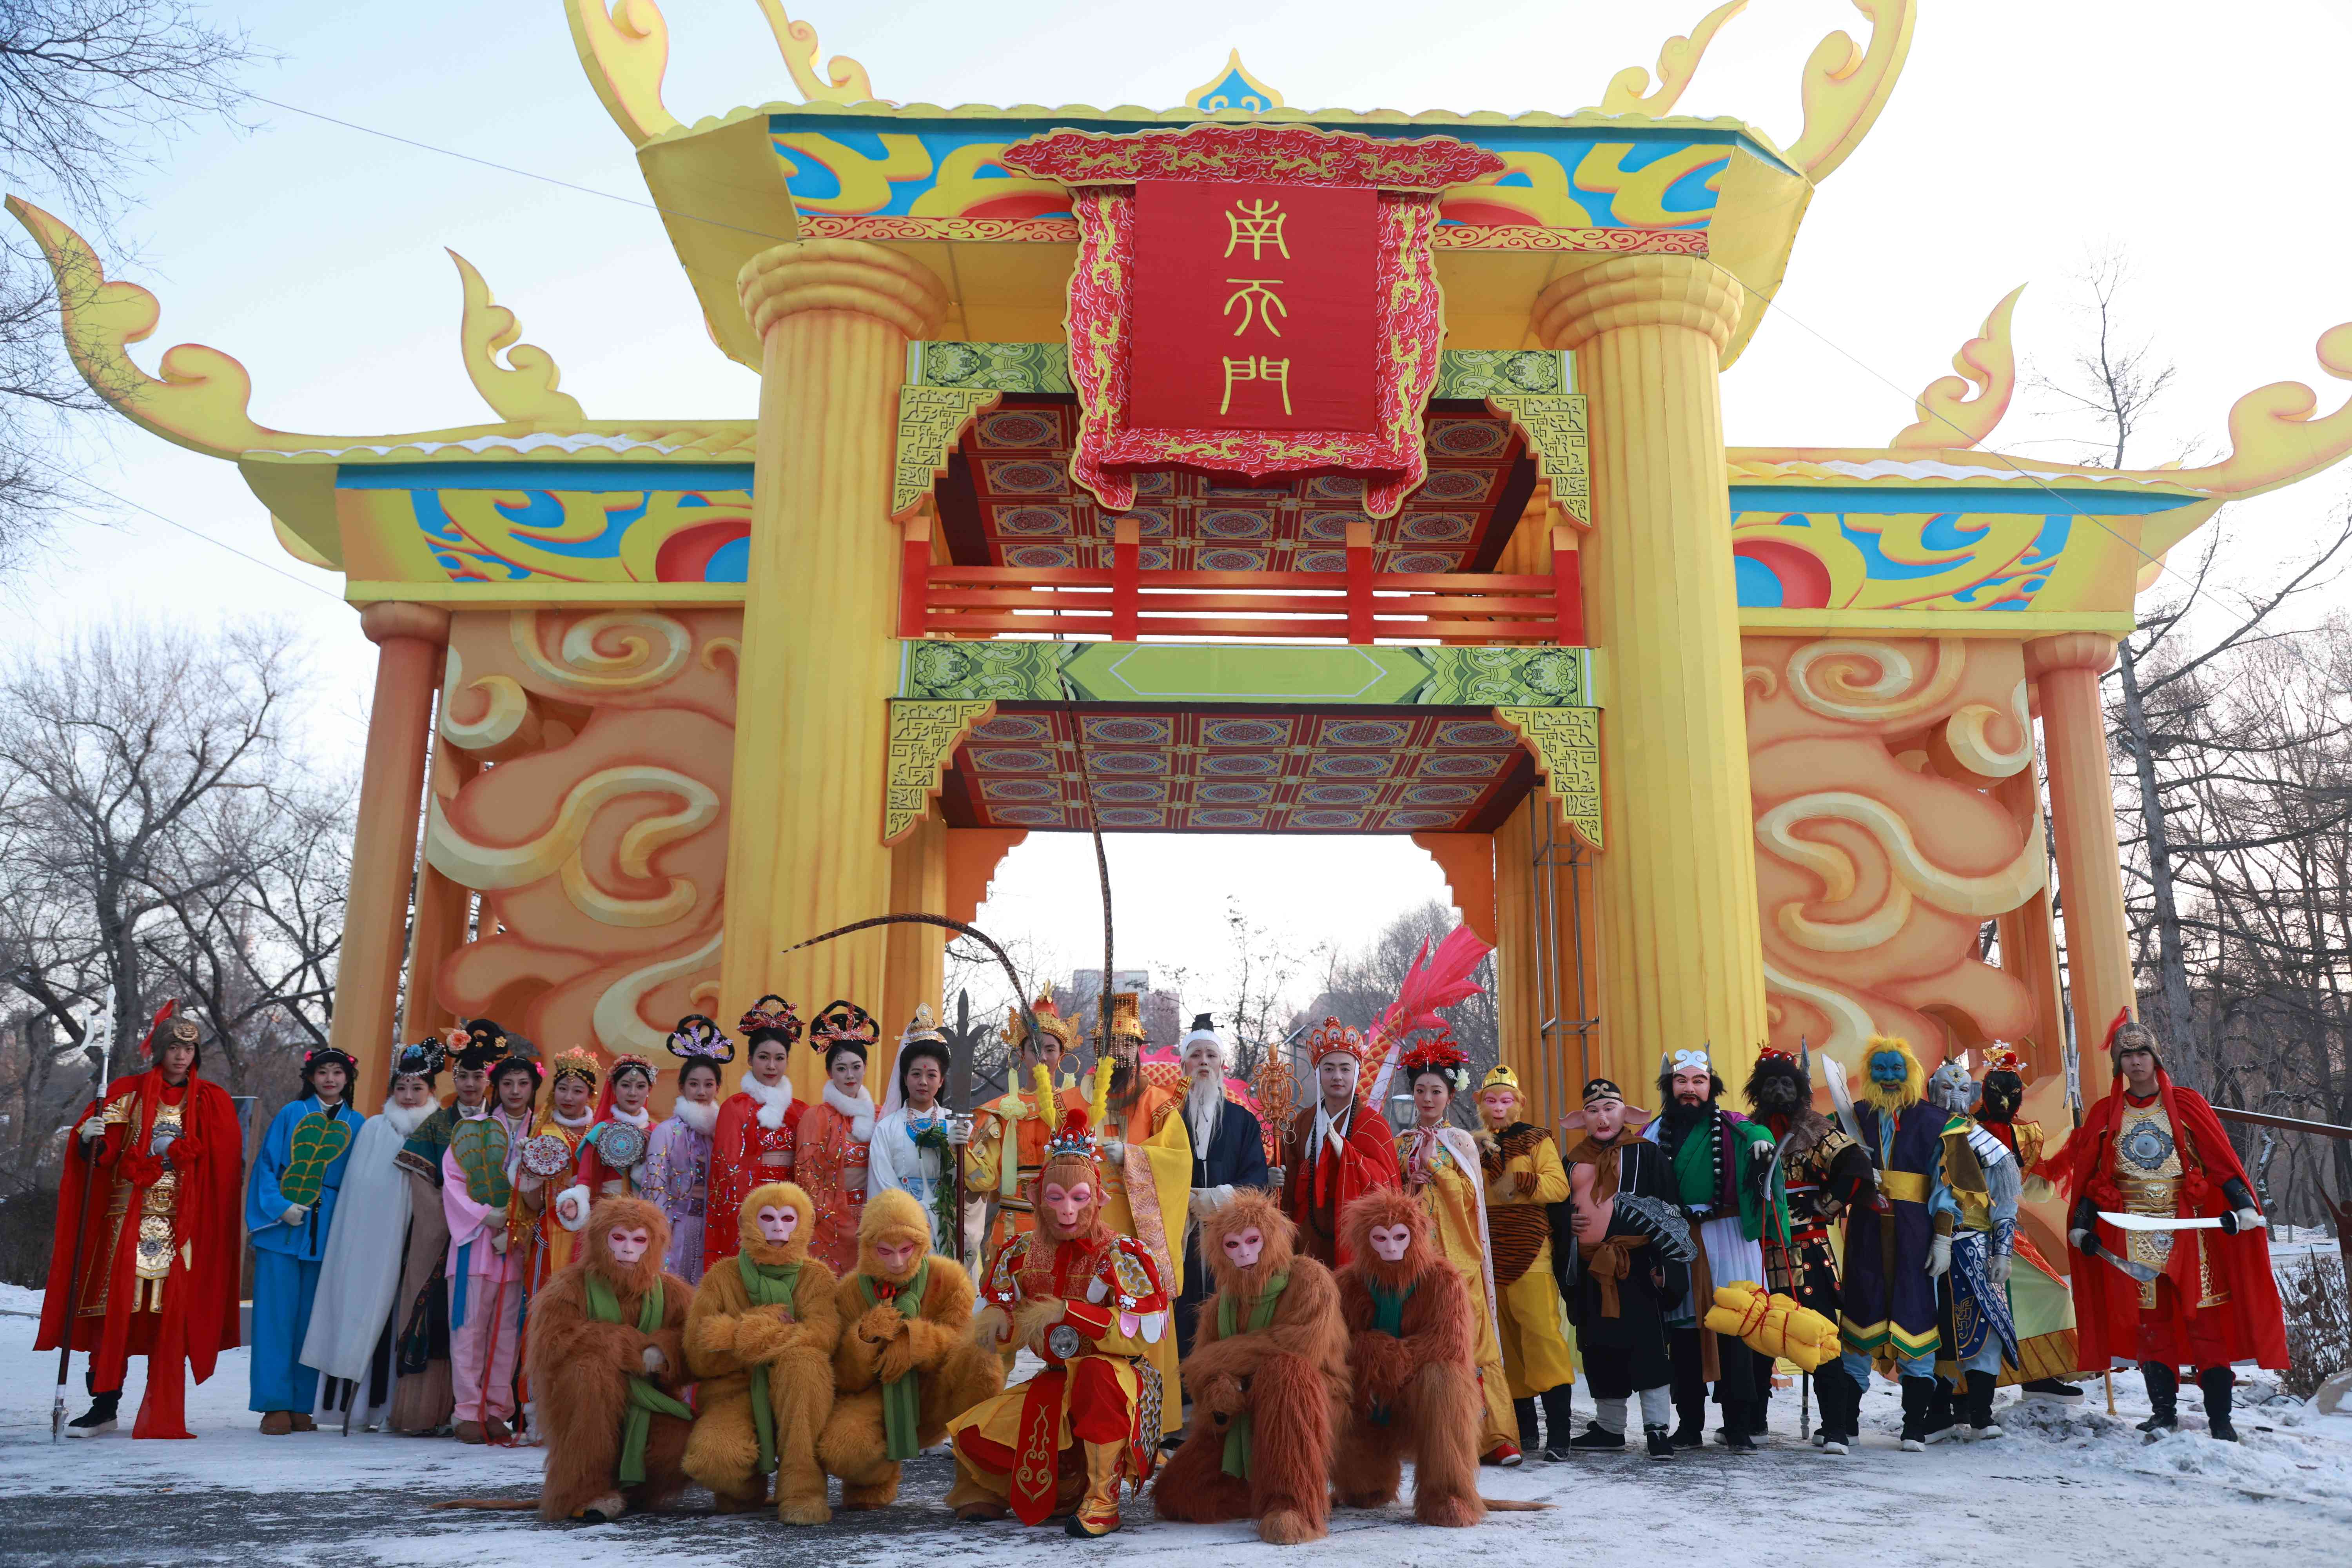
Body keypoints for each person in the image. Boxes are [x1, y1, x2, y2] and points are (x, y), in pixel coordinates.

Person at [947, 1110, 1171, 1538]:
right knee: (974, 1433)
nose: (1067, 1210)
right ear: (1036, 1197)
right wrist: (997, 1323)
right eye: (1055, 1198)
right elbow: (1005, 1313)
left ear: (1099, 1199)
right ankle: (1004, 1489)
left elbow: (1138, 1334)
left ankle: (1102, 1500)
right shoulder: (1019, 1252)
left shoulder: (1122, 1253)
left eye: (1079, 1198)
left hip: (1115, 1379)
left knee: (1096, 1373)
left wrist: (1066, 1311)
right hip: (1056, 1379)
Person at [2065, 1016, 2287, 1441]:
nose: (2135, 1062)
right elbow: (2094, 1176)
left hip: (2191, 1231)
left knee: (2205, 1324)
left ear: (2155, 1058)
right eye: (2127, 1055)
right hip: (2133, 1233)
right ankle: (2163, 1413)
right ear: (2118, 1063)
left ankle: (2220, 1419)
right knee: (2152, 1327)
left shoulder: (2185, 1106)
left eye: (2142, 1053)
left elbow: (2219, 1162)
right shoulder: (2105, 1113)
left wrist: (2243, 1204)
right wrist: (2081, 1223)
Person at [40, 1004, 242, 1441]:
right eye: (174, 1047)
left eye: (189, 1048)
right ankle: (104, 1407)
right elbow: (105, 1155)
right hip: (125, 1220)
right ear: (159, 1050)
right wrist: (89, 1139)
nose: (182, 1056)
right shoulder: (127, 1092)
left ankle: (162, 1406)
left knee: (169, 1317)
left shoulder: (210, 1100)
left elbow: (223, 1169)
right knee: (112, 1314)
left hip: (182, 1226)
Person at [1152, 1192, 1348, 1544]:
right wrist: (1218, 1390)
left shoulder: (1309, 1279)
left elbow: (1301, 1348)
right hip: (1245, 1411)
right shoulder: (1220, 1307)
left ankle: (1292, 1504)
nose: (1244, 1253)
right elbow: (1201, 1384)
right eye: (1233, 1245)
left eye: (1253, 1241)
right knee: (1176, 1496)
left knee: (1284, 1372)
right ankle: (1257, 1492)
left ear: (1272, 1240)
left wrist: (1213, 1362)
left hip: (1312, 1400)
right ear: (1219, 1252)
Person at [816, 1187, 1004, 1509]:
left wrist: (915, 1341)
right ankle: (874, 1479)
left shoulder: (949, 1278)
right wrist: (864, 1341)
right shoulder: (850, 1291)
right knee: (841, 1449)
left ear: (923, 1241)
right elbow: (844, 1380)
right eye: (885, 1252)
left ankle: (978, 1486)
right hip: (876, 1397)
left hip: (936, 1392)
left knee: (983, 1358)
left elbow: (962, 1347)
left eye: (906, 1249)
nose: (898, 1263)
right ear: (866, 1247)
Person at [1644, 1045, 1786, 1450]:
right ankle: (1690, 1425)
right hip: (1677, 1238)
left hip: (1728, 1236)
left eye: (1699, 1081)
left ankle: (1738, 1425)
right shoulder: (1653, 1133)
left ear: (1712, 1087)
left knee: (1736, 1328)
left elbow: (1758, 1132)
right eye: (1681, 1081)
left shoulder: (1735, 1126)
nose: (1689, 1089)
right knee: (1683, 1333)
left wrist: (1762, 1143)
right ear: (1670, 1086)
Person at [301, 1039, 445, 1431]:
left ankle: (401, 1408)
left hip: (421, 1240)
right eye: (402, 1088)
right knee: (364, 1314)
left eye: (418, 1088)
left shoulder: (439, 1129)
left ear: (432, 1090)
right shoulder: (374, 1128)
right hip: (372, 1243)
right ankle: (360, 1407)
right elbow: (359, 1189)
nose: (409, 1096)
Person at [525, 1196, 695, 1522]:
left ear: (654, 1246)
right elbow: (550, 1347)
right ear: (599, 1240)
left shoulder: (672, 1293)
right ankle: (584, 1491)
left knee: (695, 1447)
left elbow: (695, 1348)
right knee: (590, 1371)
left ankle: (635, 1490)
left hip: (650, 1402)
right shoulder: (569, 1287)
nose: (628, 1250)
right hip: (587, 1402)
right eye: (618, 1238)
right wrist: (632, 1348)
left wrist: (665, 1351)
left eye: (639, 1241)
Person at [1742, 1042, 1874, 1454]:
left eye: (1787, 1083)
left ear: (1799, 1088)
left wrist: (1825, 1204)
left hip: (1807, 1249)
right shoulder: (1748, 1130)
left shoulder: (1815, 1127)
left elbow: (1856, 1166)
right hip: (1760, 1251)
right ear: (1758, 1090)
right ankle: (1753, 1423)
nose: (1779, 1091)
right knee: (1756, 1335)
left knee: (1818, 1336)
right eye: (1771, 1084)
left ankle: (1835, 1428)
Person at [1394, 1035, 1520, 1466]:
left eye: (1436, 1091)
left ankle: (1493, 1436)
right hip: (1416, 1261)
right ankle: (1430, 1435)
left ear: (1451, 1096)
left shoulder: (1461, 1141)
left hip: (1458, 1257)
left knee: (1474, 1341)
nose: (1428, 1098)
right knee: (1422, 1342)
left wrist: (1434, 1165)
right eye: (1421, 1090)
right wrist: (1410, 1180)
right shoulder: (1401, 1142)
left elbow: (1472, 1197)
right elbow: (1391, 1201)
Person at [684, 1181, 842, 1522]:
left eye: (788, 1219)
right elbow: (699, 1354)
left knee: (806, 1361)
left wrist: (738, 1334)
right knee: (712, 1461)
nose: (778, 1229)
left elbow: (824, 1337)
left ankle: (803, 1488)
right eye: (768, 1218)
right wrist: (763, 1323)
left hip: (798, 1392)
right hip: (735, 1391)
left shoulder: (816, 1277)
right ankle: (745, 1489)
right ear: (747, 1224)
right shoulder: (722, 1277)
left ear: (805, 1224)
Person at [1331, 1189, 1484, 1528]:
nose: (1391, 1248)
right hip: (1368, 1396)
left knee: (1446, 1380)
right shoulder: (1346, 1285)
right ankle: (1353, 1482)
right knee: (1326, 1383)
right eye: (1380, 1239)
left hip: (1421, 1395)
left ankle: (1447, 1491)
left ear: (1416, 1237)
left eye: (1400, 1237)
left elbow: (1450, 1346)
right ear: (1363, 1241)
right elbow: (1335, 1347)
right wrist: (1368, 1353)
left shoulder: (1443, 1281)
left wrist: (1386, 1355)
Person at [1836, 1034, 1959, 1452]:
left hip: (1915, 1234)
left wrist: (1942, 1238)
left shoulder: (1936, 1121)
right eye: (1880, 1069)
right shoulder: (1853, 1117)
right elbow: (1830, 1168)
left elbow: (1948, 1184)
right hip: (1866, 1233)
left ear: (1911, 1072)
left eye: (1896, 1069)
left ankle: (1914, 1427)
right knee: (1859, 1314)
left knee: (1917, 1315)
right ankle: (1846, 1424)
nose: (1888, 1077)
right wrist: (1850, 1182)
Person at [1557, 1077, 1689, 1461]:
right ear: (1582, 1118)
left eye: (1610, 1109)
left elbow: (1670, 1210)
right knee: (1599, 1348)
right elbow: (1555, 1208)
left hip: (1638, 1266)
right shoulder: (1570, 1160)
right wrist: (1565, 1221)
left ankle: (1657, 1430)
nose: (1602, 1118)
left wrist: (1667, 1266)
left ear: (1625, 1114)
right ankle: (1610, 1429)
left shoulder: (1648, 1155)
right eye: (1593, 1111)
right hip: (1589, 1269)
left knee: (1648, 1349)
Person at [1085, 991, 1195, 1443]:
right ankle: (1091, 1427)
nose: (1120, 1053)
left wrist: (1132, 1156)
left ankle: (1148, 1431)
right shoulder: (1076, 1099)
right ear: (1098, 1050)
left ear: (1139, 1050)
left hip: (1138, 1237)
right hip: (1089, 1232)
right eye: (1111, 1045)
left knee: (1143, 1326)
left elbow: (1179, 1162)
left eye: (1128, 1044)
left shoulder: (1160, 1104)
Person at [389, 1020, 502, 1434]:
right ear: (453, 1079)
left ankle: (484, 1408)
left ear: (489, 1080)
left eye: (478, 1076)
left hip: (494, 1240)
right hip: (444, 1235)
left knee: (491, 1325)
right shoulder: (437, 1125)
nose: (471, 1084)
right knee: (438, 1319)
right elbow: (424, 1188)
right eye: (464, 1076)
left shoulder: (503, 1122)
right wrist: (460, 1223)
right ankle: (430, 1411)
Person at [247, 1044, 361, 1433]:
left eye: (338, 1073)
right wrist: (280, 1207)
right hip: (283, 1227)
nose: (330, 1079)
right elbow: (266, 1165)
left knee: (312, 1322)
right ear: (311, 1077)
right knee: (275, 1318)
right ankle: (273, 1404)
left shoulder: (358, 1123)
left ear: (348, 1079)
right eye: (323, 1072)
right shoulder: (292, 1113)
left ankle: (302, 1403)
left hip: (328, 1229)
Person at [1473, 1062, 1579, 1460]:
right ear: (1480, 1104)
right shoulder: (1472, 1144)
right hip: (1489, 1252)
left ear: (1519, 1103)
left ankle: (1560, 1433)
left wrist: (1520, 1181)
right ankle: (1524, 1428)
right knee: (1507, 1344)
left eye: (1506, 1100)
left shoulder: (1537, 1139)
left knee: (1541, 1336)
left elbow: (1558, 1186)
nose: (1499, 1107)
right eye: (1491, 1100)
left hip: (1531, 1248)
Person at [1973, 1042, 2084, 1401]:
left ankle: (2039, 1371)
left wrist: (2073, 1151)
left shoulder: (2025, 1135)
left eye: (2012, 1093)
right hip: (1963, 1230)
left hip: (2006, 1230)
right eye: (1997, 1092)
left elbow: (2038, 1189)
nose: (2005, 1101)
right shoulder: (1963, 1129)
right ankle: (1959, 1391)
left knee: (2050, 1290)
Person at [1926, 1053, 2024, 1441]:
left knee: (1985, 1332)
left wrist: (2003, 1251)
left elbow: (2005, 1202)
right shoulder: (1916, 1135)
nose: (1954, 1095)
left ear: (1974, 1094)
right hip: (1927, 1247)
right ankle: (1936, 1413)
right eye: (1945, 1087)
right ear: (1930, 1090)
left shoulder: (1985, 1142)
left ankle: (1982, 1414)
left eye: (1963, 1088)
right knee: (1930, 1330)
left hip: (1975, 1247)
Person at [444, 1047, 539, 1443]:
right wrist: (487, 1216)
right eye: (507, 1083)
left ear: (534, 1087)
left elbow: (550, 1190)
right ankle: (468, 1411)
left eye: (523, 1083)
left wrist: (518, 1229)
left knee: (507, 1333)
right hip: (475, 1242)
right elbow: (453, 1180)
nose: (515, 1091)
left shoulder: (543, 1134)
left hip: (516, 1249)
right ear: (495, 1087)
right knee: (468, 1329)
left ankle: (498, 1410)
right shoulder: (474, 1128)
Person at [963, 991, 1089, 1276]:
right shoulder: (997, 1112)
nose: (1042, 1057)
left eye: (1050, 1049)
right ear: (1021, 1055)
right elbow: (984, 1180)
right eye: (1034, 1049)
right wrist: (958, 1149)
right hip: (1012, 1227)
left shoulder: (1078, 1108)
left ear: (1062, 1055)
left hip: (1066, 1225)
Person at [1171, 1014, 1269, 1357]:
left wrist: (1217, 1198)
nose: (1204, 1062)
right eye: (1196, 1055)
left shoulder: (1243, 1121)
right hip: (1179, 1232)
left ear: (1222, 1065)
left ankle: (1225, 1373)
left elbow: (1258, 1180)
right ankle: (1181, 1377)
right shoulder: (1167, 1117)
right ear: (1183, 1065)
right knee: (1181, 1307)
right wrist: (1183, 1199)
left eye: (1211, 1055)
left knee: (1227, 1310)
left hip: (1229, 1234)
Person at [1278, 1017, 1403, 1268]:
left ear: (1357, 1073)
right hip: (1307, 1236)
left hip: (1356, 1239)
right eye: (1329, 1069)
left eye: (1345, 1069)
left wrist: (1349, 1156)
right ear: (1318, 1073)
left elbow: (1390, 1188)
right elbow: (1286, 1175)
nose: (1337, 1077)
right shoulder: (1301, 1123)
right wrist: (1275, 1177)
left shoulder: (1374, 1125)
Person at [706, 996, 806, 1276]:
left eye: (779, 1058)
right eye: (764, 1057)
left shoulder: (801, 1111)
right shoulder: (734, 1107)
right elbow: (727, 1169)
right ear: (750, 1060)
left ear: (787, 1061)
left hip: (791, 1210)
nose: (772, 1066)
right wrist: (751, 1215)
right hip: (750, 1206)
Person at [866, 1005, 968, 1254]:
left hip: (949, 1229)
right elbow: (882, 1185)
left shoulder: (958, 1124)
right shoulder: (887, 1128)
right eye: (916, 1074)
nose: (923, 1082)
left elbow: (974, 1186)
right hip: (903, 1234)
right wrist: (913, 1218)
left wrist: (960, 1153)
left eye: (931, 1075)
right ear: (904, 1078)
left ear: (941, 1081)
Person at [646, 1014, 732, 1284]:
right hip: (674, 1227)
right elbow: (655, 1188)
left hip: (712, 1226)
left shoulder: (723, 1133)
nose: (702, 1092)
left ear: (718, 1088)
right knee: (669, 1288)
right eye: (694, 1084)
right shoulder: (665, 1132)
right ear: (682, 1087)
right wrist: (661, 1231)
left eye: (709, 1085)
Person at [798, 1000, 880, 1276]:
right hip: (830, 1224)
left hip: (873, 1218)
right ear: (829, 1072)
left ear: (865, 1067)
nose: (850, 1075)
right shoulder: (816, 1117)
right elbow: (807, 1177)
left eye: (856, 1067)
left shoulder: (880, 1115)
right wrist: (836, 1219)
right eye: (841, 1068)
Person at [556, 1052, 660, 1230]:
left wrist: (647, 1159)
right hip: (606, 1219)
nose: (633, 1093)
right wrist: (575, 1200)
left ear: (649, 1090)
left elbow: (664, 1184)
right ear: (614, 1088)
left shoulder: (658, 1132)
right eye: (625, 1085)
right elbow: (585, 1179)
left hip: (645, 1219)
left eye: (641, 1086)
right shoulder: (601, 1131)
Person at [523, 1045, 602, 1277]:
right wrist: (527, 1171)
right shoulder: (543, 1134)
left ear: (590, 1095)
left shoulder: (601, 1132)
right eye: (562, 1089)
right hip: (553, 1226)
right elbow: (534, 1204)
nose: (568, 1097)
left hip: (596, 1229)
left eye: (577, 1091)